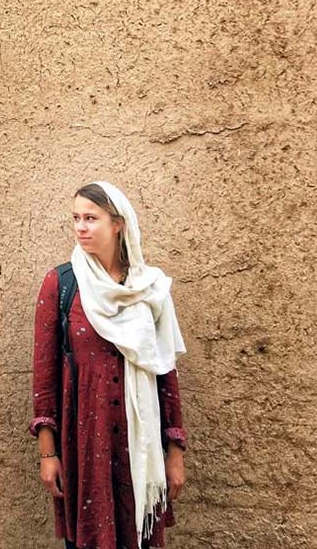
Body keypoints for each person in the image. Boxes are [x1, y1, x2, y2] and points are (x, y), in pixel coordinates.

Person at [28, 181, 188, 549]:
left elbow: (165, 373)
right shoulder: (62, 284)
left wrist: (175, 453)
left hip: (140, 449)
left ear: (118, 224)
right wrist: (48, 454)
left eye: (91, 218)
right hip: (84, 446)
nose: (80, 227)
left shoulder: (148, 288)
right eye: (76, 218)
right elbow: (45, 376)